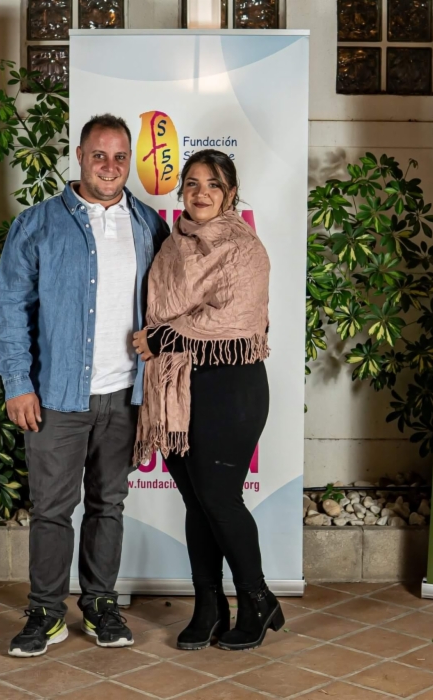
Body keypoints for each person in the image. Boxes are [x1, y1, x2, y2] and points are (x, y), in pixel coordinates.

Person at [0, 114, 169, 657]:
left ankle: (100, 604)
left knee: (108, 505)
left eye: (120, 157)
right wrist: (17, 383)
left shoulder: (149, 224)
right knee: (51, 509)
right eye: (99, 155)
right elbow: (10, 306)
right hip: (57, 397)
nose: (110, 167)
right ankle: (45, 612)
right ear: (79, 156)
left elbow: (169, 303)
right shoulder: (38, 224)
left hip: (126, 396)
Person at [131, 149, 280, 651]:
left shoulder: (244, 248)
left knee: (219, 498)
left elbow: (234, 319)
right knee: (197, 501)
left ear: (230, 194)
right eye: (192, 183)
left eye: (213, 184)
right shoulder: (173, 243)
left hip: (229, 386)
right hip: (177, 389)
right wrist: (165, 338)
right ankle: (209, 607)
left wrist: (162, 337)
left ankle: (258, 600)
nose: (201, 193)